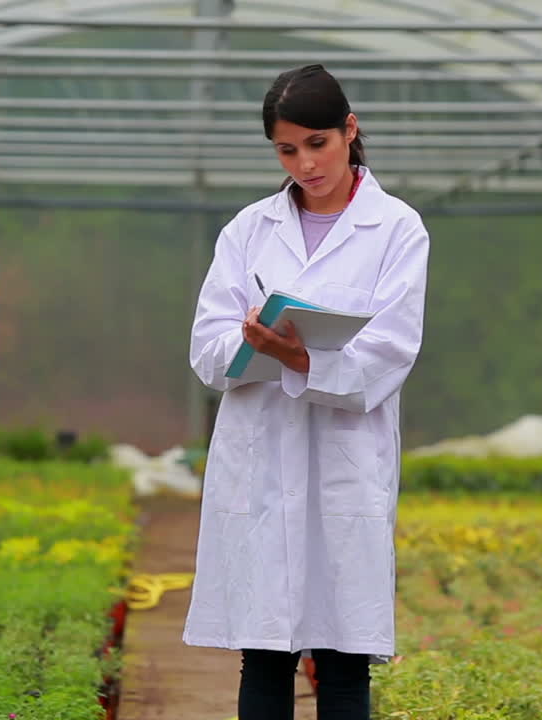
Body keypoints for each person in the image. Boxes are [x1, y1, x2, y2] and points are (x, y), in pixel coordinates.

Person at [182, 64, 431, 720]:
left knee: (344, 658)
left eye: (316, 143)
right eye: (287, 150)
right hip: (262, 463)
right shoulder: (247, 232)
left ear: (349, 131)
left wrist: (303, 359)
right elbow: (206, 353)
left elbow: (389, 354)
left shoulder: (397, 230)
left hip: (346, 467)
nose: (305, 163)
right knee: (264, 654)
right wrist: (249, 349)